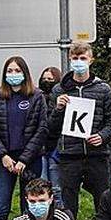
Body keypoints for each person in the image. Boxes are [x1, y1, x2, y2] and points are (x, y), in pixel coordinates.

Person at [47, 42, 111, 220]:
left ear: (91, 60)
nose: (79, 62)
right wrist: (58, 108)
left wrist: (102, 136)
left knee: (103, 200)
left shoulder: (103, 89)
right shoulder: (58, 90)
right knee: (69, 203)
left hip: (97, 155)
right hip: (69, 155)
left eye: (83, 58)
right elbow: (50, 127)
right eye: (75, 58)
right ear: (69, 60)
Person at [0, 56, 47, 220]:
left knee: (28, 206)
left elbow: (41, 129)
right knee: (2, 207)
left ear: (25, 73)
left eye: (17, 70)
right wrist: (3, 156)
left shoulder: (37, 97)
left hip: (30, 160)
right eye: (10, 71)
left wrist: (24, 160)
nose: (13, 74)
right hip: (5, 159)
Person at [37, 66, 64, 208]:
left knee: (56, 188)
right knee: (41, 186)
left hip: (56, 149)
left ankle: (60, 216)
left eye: (50, 79)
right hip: (40, 148)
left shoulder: (61, 99)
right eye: (44, 79)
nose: (46, 82)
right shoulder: (36, 97)